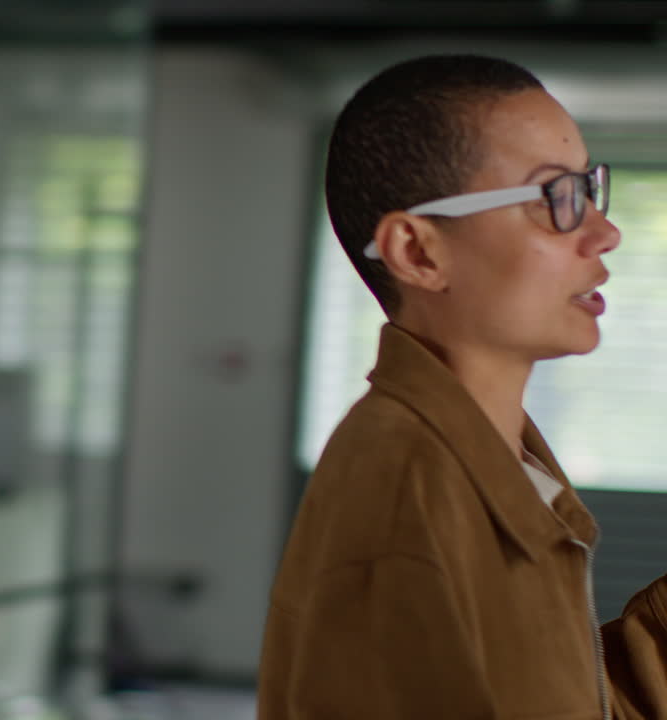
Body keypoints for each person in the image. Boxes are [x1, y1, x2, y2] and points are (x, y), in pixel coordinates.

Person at [258, 54, 667, 719]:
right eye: (554, 199)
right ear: (419, 252)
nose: (605, 232)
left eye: (588, 190)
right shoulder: (401, 500)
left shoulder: (504, 462)